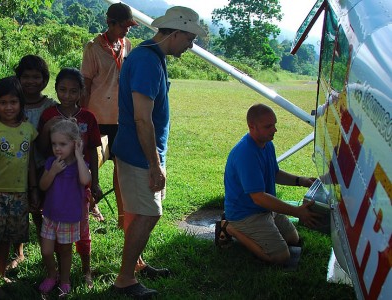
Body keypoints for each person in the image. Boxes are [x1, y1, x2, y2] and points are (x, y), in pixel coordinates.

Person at [111, 6, 207, 298]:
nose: (191, 46)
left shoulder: (154, 57)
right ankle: (125, 280)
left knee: (141, 211)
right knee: (148, 213)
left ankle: (136, 265)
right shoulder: (146, 62)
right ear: (175, 33)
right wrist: (155, 165)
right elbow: (142, 118)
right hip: (139, 154)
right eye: (189, 39)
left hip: (144, 152)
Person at [220, 103, 321, 264]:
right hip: (245, 214)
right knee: (281, 257)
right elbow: (258, 197)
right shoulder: (246, 154)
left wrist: (300, 181)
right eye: (268, 126)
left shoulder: (267, 145)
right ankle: (231, 228)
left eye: (274, 125)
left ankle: (255, 227)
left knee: (293, 239)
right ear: (252, 126)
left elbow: (274, 173)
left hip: (264, 210)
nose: (274, 130)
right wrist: (297, 212)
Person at [37, 68, 101, 288]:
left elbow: (93, 150)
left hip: (77, 182)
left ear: (81, 92)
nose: (67, 95)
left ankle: (85, 270)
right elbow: (42, 147)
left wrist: (96, 183)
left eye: (73, 91)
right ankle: (54, 274)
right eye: (62, 90)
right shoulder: (48, 115)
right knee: (53, 237)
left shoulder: (88, 117)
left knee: (82, 231)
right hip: (55, 181)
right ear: (55, 90)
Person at [0, 76, 37, 296]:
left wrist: (33, 189)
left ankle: (2, 275)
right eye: (3, 103)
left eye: (13, 102)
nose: (8, 107)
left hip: (19, 193)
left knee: (8, 238)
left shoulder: (29, 129)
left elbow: (30, 162)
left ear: (21, 103)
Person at [80, 2, 137, 225]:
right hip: (96, 118)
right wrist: (82, 117)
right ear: (109, 23)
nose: (127, 30)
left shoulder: (127, 45)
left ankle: (123, 217)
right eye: (123, 25)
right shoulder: (93, 47)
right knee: (91, 166)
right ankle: (89, 206)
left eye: (129, 26)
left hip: (120, 118)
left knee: (120, 166)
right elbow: (85, 83)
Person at [11, 54, 57, 270]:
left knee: (41, 211)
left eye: (36, 77)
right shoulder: (13, 103)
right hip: (16, 165)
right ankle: (18, 252)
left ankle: (46, 252)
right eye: (26, 76)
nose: (30, 81)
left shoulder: (49, 106)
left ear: (44, 80)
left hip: (43, 166)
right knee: (20, 209)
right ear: (18, 78)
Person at [38, 118, 91, 297]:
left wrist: (78, 156)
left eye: (63, 144)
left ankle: (65, 280)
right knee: (46, 250)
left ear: (75, 144)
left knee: (66, 251)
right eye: (54, 144)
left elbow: (85, 181)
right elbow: (43, 186)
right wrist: (53, 171)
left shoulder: (79, 166)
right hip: (50, 215)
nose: (57, 148)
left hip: (69, 217)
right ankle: (52, 275)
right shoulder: (51, 162)